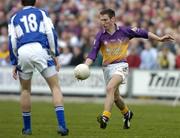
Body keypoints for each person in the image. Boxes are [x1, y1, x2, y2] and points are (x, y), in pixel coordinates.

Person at [84, 8, 174, 129]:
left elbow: (143, 32)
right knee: (115, 97)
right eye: (101, 20)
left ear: (113, 19)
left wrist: (159, 38)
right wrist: (85, 65)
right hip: (107, 68)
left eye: (105, 20)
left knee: (110, 88)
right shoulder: (100, 35)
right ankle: (127, 114)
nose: (103, 22)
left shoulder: (125, 31)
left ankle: (105, 117)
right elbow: (93, 53)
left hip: (121, 66)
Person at [8, 0, 68, 136]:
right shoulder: (42, 13)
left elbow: (12, 41)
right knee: (55, 87)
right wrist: (55, 55)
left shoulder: (14, 18)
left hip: (23, 51)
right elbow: (51, 34)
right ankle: (62, 126)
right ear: (35, 1)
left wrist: (14, 62)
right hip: (40, 49)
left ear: (22, 2)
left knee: (25, 90)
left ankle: (27, 129)